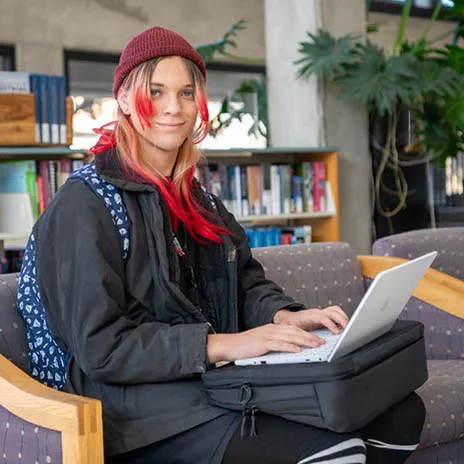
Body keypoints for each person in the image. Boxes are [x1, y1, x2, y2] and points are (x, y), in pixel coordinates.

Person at [17, 26, 425, 464]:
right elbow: (102, 349)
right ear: (123, 101)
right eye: (155, 92)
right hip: (124, 407)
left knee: (400, 414)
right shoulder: (84, 204)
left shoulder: (198, 198)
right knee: (332, 449)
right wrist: (228, 345)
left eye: (187, 93)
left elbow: (244, 280)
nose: (174, 108)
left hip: (207, 379)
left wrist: (284, 315)